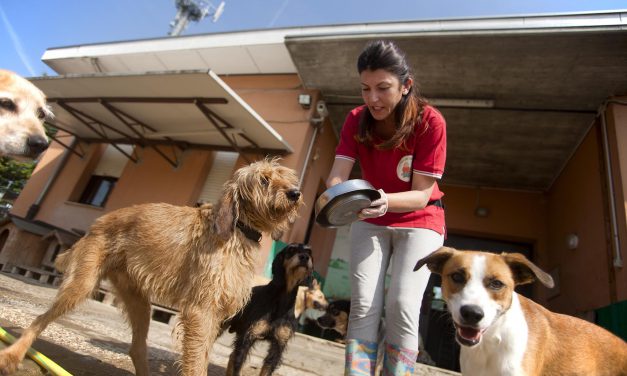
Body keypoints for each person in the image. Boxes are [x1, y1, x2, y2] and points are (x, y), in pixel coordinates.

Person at [326, 40, 446, 376]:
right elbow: (337, 174)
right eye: (365, 89)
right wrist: (339, 194)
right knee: (364, 305)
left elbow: (421, 195)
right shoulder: (355, 119)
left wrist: (384, 200)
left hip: (420, 220)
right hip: (370, 219)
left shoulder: (430, 122)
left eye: (383, 88)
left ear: (405, 86)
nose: (372, 99)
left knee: (402, 305)